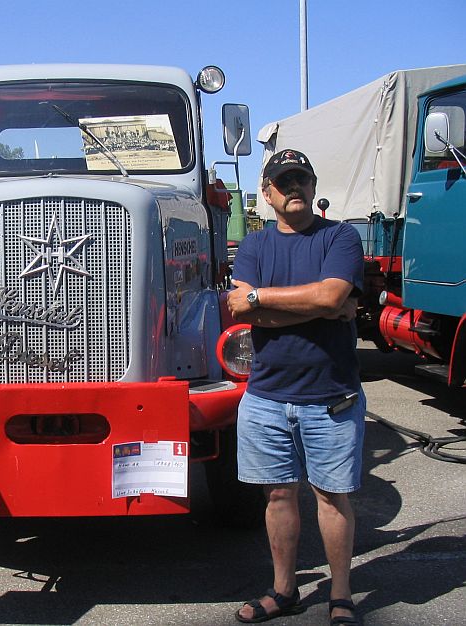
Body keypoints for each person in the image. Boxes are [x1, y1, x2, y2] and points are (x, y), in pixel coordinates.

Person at [227, 150, 364, 626]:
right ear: (267, 194)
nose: (294, 188)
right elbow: (240, 308)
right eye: (283, 182)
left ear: (313, 186)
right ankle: (284, 591)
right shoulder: (255, 245)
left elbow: (331, 295)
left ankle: (341, 596)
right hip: (266, 398)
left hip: (331, 397)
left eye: (301, 179)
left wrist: (263, 299)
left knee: (332, 497)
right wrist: (321, 308)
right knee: (278, 497)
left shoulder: (340, 237)